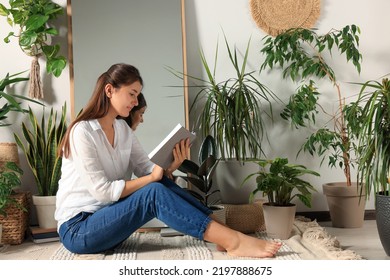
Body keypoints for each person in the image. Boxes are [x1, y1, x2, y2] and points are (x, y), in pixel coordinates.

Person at [55, 63, 281, 258]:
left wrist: (172, 164)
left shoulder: (123, 130)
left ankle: (223, 234)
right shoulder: (82, 132)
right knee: (152, 191)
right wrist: (153, 177)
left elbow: (147, 170)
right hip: (79, 229)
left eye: (137, 95)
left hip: (108, 220)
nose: (135, 102)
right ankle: (235, 241)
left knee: (158, 184)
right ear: (109, 90)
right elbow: (102, 191)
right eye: (132, 94)